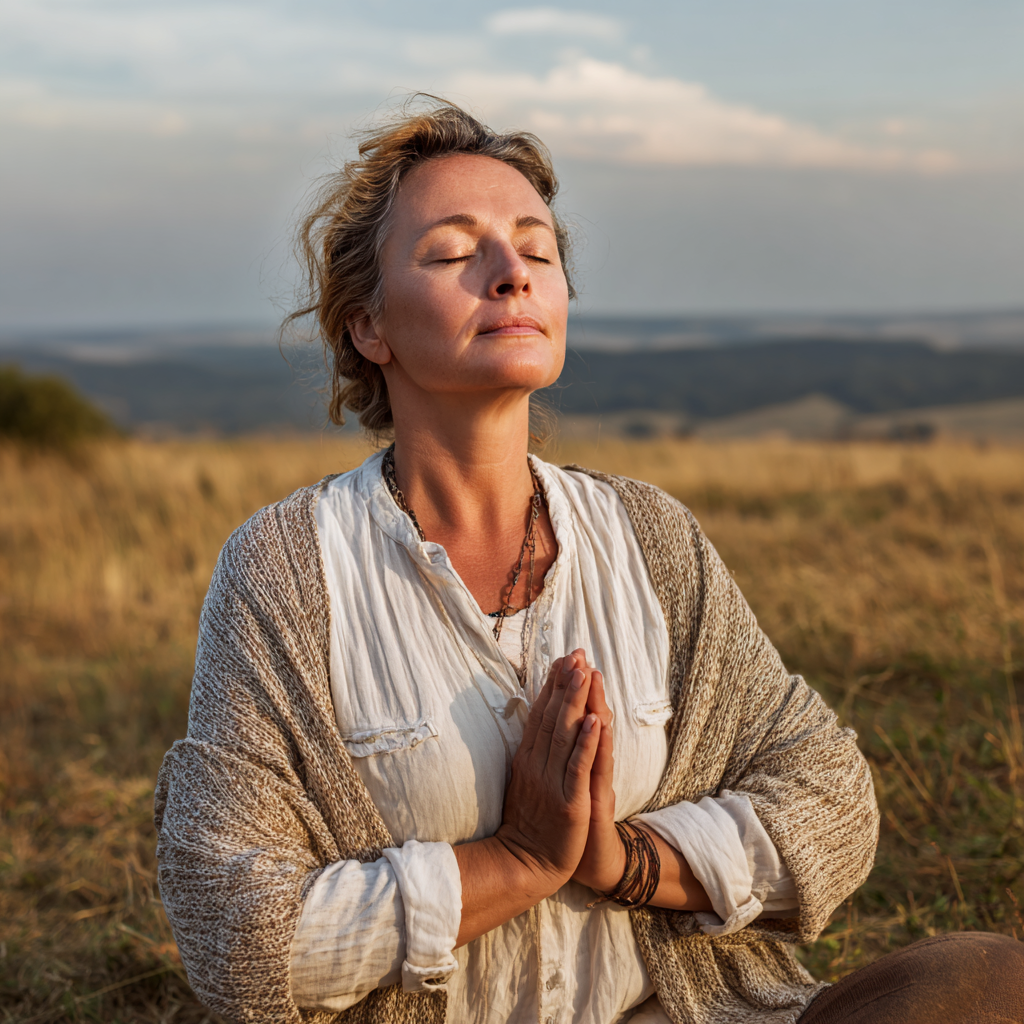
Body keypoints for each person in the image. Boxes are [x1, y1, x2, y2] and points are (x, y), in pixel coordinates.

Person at [154, 100, 1024, 1024]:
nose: (509, 275)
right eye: (454, 253)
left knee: (989, 976)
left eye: (536, 250)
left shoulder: (648, 536)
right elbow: (237, 937)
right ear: (370, 328)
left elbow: (831, 796)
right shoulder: (290, 570)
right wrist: (517, 859)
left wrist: (620, 860)